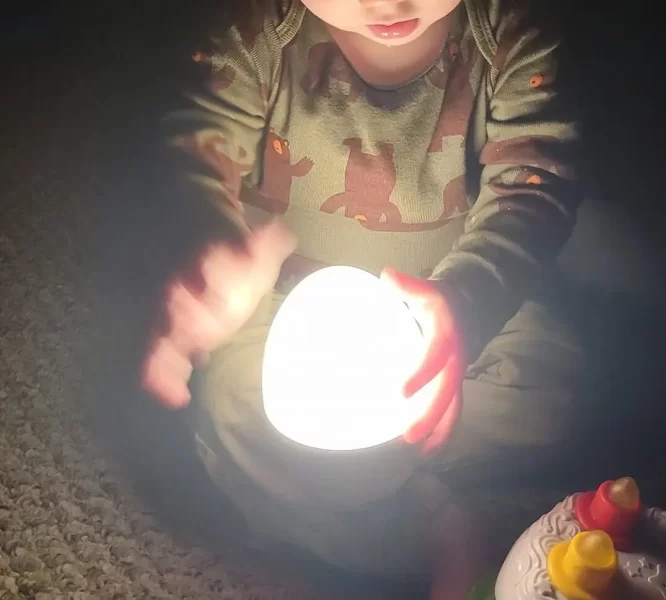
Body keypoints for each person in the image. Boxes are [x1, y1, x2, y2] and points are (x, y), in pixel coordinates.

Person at [141, 0, 583, 597]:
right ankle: (432, 520)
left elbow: (535, 179)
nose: (391, 3)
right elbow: (197, 146)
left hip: (446, 304)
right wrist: (213, 251)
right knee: (241, 411)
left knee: (562, 388)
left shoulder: (510, 30)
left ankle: (358, 492)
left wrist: (467, 301)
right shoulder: (253, 30)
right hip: (281, 306)